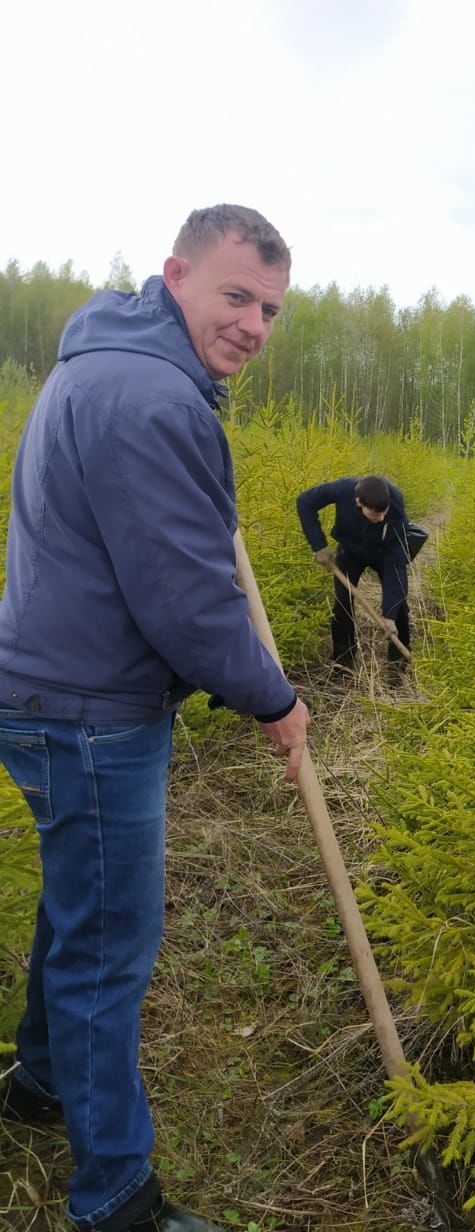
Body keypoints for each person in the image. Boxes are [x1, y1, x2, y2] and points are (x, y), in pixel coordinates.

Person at [0, 205, 309, 1232]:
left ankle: (41, 1081)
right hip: (91, 709)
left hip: (54, 686)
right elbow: (184, 598)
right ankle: (118, 1199)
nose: (254, 323)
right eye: (234, 294)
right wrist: (274, 693)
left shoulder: (116, 364)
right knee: (108, 946)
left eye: (269, 306)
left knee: (78, 906)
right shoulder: (150, 399)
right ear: (175, 272)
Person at [296, 474, 412, 675]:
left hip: (384, 554)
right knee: (342, 605)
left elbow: (396, 563)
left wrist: (389, 614)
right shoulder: (343, 489)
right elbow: (305, 502)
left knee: (399, 606)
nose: (382, 518)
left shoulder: (396, 503)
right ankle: (343, 663)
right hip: (350, 551)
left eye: (384, 513)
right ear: (358, 503)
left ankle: (397, 667)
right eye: (375, 515)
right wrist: (319, 546)